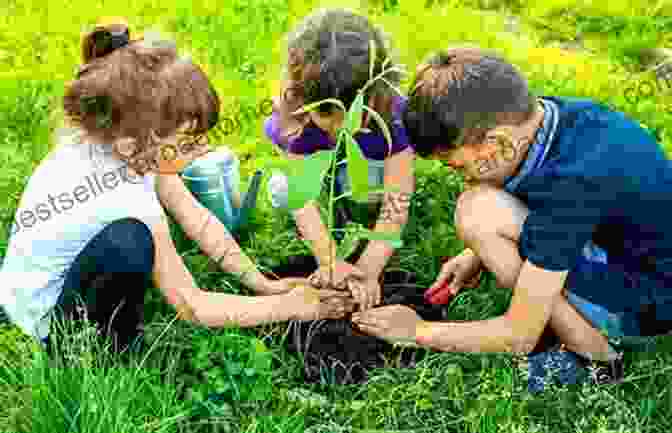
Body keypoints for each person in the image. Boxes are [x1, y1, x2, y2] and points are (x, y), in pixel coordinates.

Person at [0, 19, 353, 355]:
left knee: (134, 240)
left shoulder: (126, 143)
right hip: (46, 318)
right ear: (133, 142)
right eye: (190, 140)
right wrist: (286, 307)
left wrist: (262, 283)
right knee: (131, 242)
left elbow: (195, 218)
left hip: (34, 283)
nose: (204, 148)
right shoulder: (120, 195)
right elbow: (192, 305)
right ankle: (95, 349)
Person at [351, 46, 672, 392]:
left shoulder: (575, 185)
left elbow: (518, 335)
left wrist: (417, 331)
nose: (463, 178)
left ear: (499, 143)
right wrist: (476, 253)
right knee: (482, 212)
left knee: (477, 210)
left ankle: (596, 356)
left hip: (643, 306)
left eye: (459, 166)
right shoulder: (553, 120)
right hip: (637, 259)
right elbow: (558, 201)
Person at [263, 8, 415, 311]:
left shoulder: (394, 116)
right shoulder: (293, 121)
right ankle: (331, 219)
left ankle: (352, 208)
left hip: (364, 174)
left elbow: (397, 201)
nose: (338, 127)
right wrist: (329, 259)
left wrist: (368, 271)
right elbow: (301, 198)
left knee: (369, 190)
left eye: (352, 115)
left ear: (376, 94)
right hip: (317, 178)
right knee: (283, 190)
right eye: (325, 115)